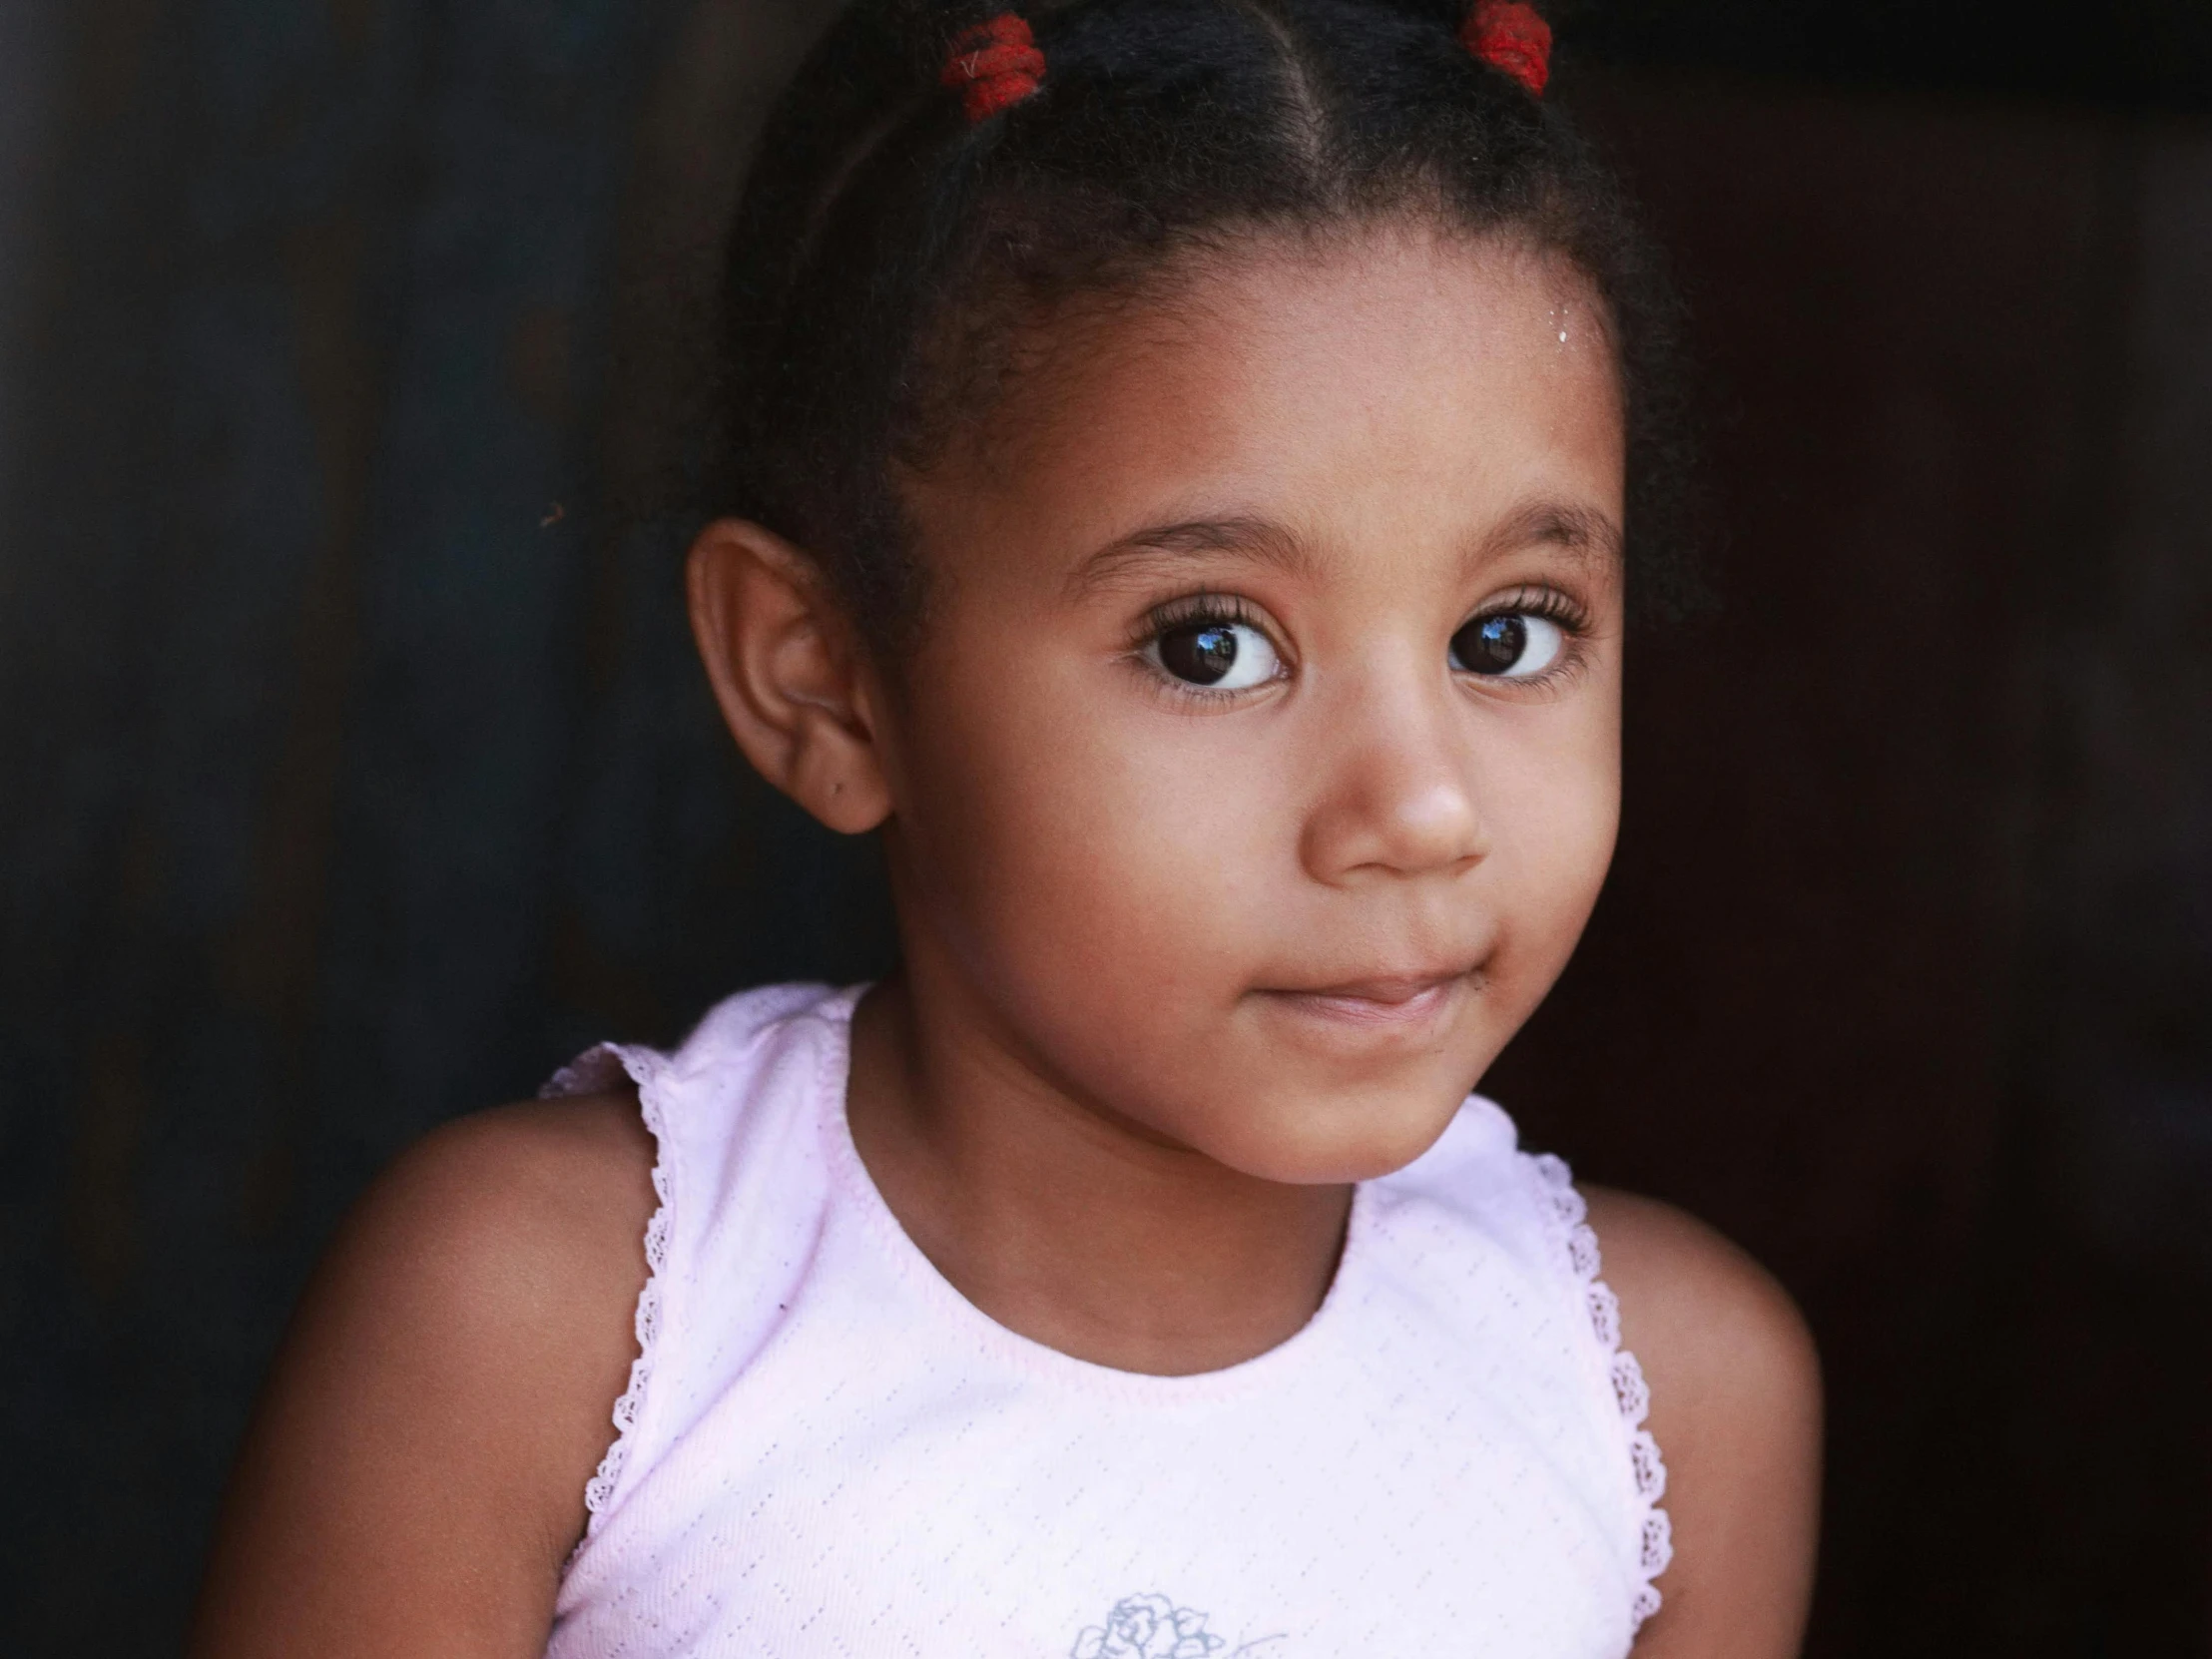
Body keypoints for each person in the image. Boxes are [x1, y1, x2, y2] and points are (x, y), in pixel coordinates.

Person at [190, 1, 1821, 1653]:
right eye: (1210, 645)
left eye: (1509, 634)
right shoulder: (568, 1332)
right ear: (824, 685)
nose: (1416, 808)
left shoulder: (1661, 1415)